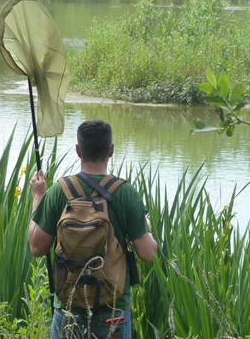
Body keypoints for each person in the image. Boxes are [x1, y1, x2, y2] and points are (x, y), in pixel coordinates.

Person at [28, 120, 158, 339]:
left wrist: (38, 197)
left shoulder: (59, 191)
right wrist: (148, 228)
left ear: (78, 151)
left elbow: (36, 247)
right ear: (111, 151)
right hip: (113, 312)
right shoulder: (125, 193)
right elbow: (148, 253)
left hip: (68, 309)